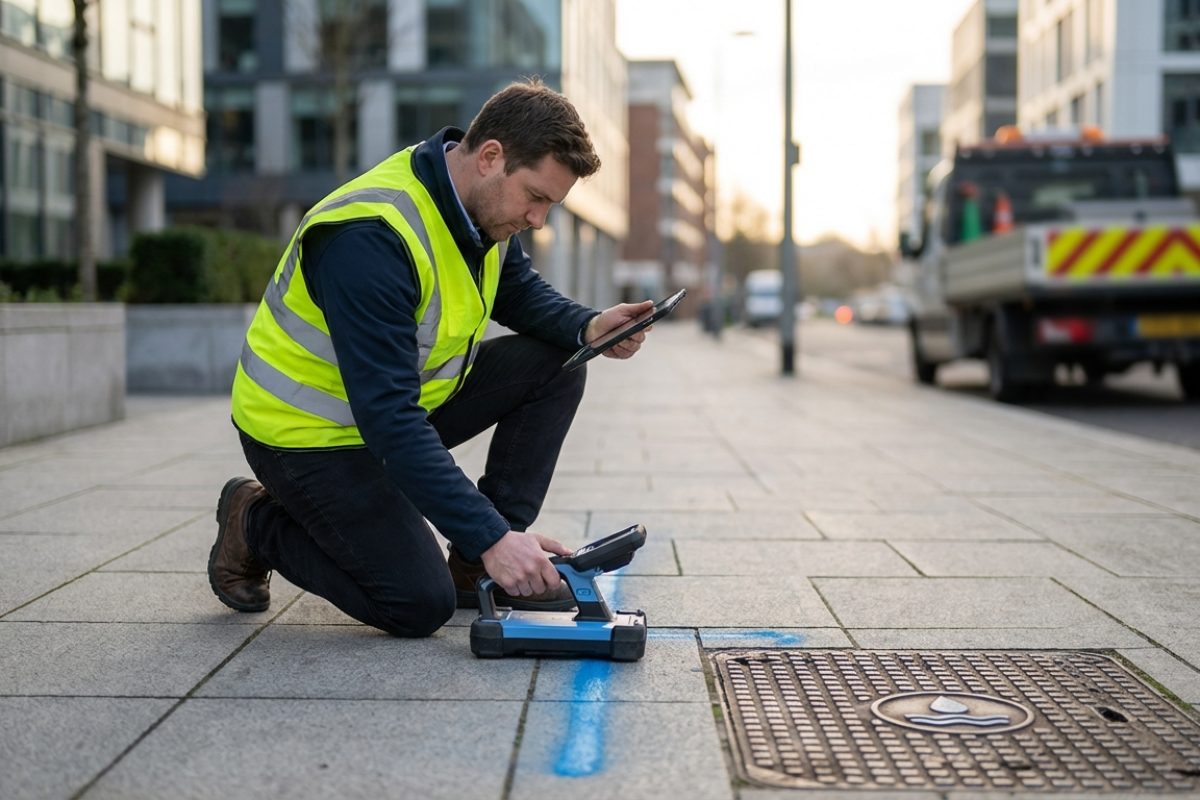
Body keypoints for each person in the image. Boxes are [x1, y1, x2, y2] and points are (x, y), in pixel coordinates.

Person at [208, 79, 655, 637]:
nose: (538, 220)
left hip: (394, 408)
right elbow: (390, 420)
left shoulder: (476, 206)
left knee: (559, 364)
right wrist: (493, 534)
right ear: (491, 156)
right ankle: (253, 520)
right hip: (307, 436)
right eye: (536, 198)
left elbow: (513, 289)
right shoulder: (369, 238)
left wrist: (587, 326)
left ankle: (476, 568)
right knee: (416, 603)